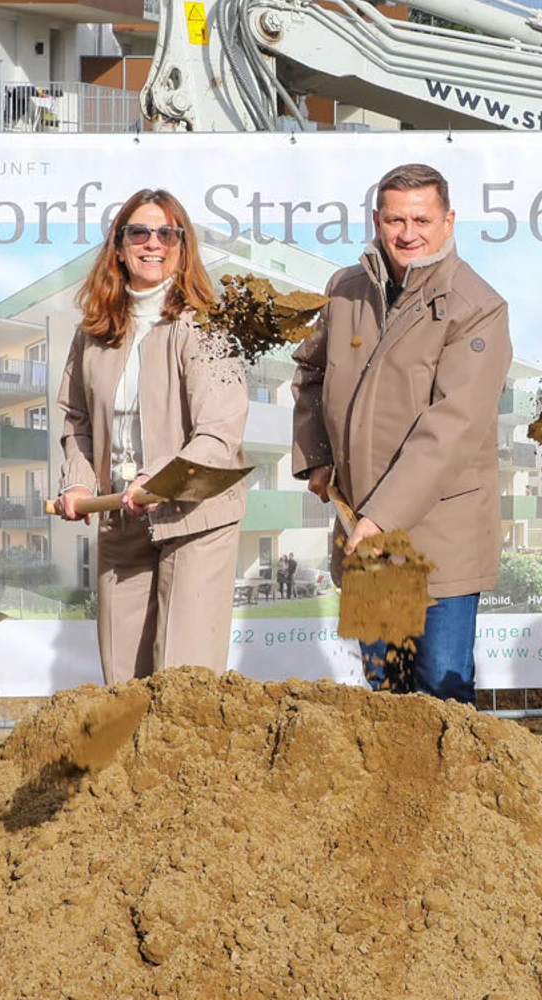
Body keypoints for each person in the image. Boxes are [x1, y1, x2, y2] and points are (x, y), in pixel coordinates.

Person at [292, 163, 511, 701]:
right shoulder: (345, 291)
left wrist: (380, 519)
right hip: (365, 531)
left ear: (448, 221)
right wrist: (317, 456)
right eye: (395, 219)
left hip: (443, 535)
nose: (408, 233)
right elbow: (312, 373)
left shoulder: (478, 307)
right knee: (385, 686)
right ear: (376, 220)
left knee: (440, 687)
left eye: (422, 219)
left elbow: (452, 429)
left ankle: (457, 789)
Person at [52, 189, 247, 684]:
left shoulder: (207, 326)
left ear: (183, 247)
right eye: (139, 232)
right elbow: (75, 417)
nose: (153, 243)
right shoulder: (94, 332)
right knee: (124, 683)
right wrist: (78, 483)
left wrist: (156, 481)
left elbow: (218, 433)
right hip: (121, 516)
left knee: (184, 679)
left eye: (167, 233)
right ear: (119, 246)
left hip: (193, 516)